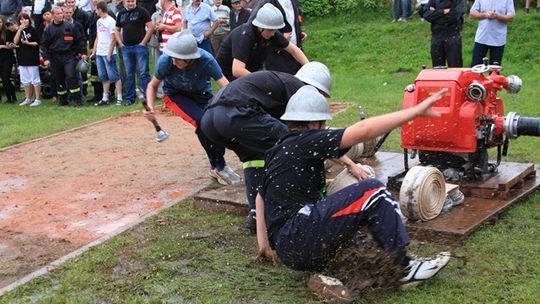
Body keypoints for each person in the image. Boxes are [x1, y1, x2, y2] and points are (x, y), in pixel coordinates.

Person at [255, 85, 451, 289]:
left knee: (356, 230)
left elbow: (260, 197)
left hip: (289, 250)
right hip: (300, 237)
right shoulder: (308, 140)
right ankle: (406, 269)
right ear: (315, 123)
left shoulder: (277, 150)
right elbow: (362, 131)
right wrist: (415, 111)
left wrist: (264, 246)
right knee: (373, 191)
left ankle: (356, 271)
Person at [200, 62, 371, 232]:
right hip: (237, 114)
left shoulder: (281, 86)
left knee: (254, 159)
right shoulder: (299, 89)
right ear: (314, 88)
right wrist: (351, 165)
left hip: (209, 121)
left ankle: (256, 216)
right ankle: (309, 203)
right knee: (297, 146)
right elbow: (312, 141)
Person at [144, 30, 241, 185]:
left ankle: (218, 163)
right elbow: (152, 86)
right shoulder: (166, 61)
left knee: (217, 121)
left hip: (201, 93)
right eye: (173, 58)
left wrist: (238, 102)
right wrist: (150, 107)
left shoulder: (207, 60)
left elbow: (224, 84)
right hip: (175, 95)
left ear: (190, 59)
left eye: (178, 59)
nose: (174, 61)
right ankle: (218, 166)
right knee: (203, 122)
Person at [216, 3, 308, 81]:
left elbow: (294, 50)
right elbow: (237, 70)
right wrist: (263, 80)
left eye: (275, 30)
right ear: (260, 27)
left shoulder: (270, 32)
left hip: (249, 67)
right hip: (227, 73)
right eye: (271, 30)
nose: (273, 34)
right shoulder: (246, 35)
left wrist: (310, 67)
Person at [41, 6, 86, 106]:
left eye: (61, 13)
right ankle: (63, 100)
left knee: (71, 76)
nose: (60, 15)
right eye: (57, 14)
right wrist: (46, 58)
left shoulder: (70, 26)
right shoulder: (49, 30)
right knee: (59, 79)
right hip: (55, 57)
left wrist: (82, 53)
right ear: (52, 15)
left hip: (69, 56)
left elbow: (79, 41)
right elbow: (44, 45)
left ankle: (77, 99)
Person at [250, 0, 306, 74]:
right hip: (277, 54)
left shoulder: (293, 1)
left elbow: (294, 20)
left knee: (301, 80)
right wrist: (280, 35)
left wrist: (299, 32)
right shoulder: (265, 2)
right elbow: (255, 25)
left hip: (296, 49)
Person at [115, 0, 153, 106]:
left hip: (140, 47)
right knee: (129, 74)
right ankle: (129, 98)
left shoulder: (142, 11)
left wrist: (143, 42)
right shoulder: (121, 14)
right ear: (124, 2)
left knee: (143, 73)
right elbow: (117, 29)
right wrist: (120, 43)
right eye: (128, 1)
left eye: (132, 1)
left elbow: (151, 27)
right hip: (126, 48)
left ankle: (148, 97)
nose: (131, 3)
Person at [91, 0, 122, 106]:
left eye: (96, 9)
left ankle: (119, 97)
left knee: (114, 76)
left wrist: (109, 53)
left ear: (100, 9)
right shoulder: (98, 21)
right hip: (99, 52)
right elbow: (97, 37)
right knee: (103, 77)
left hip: (108, 52)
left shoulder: (111, 21)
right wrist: (94, 51)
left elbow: (114, 39)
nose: (95, 12)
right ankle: (105, 98)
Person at [469, 0, 514, 66]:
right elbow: (472, 14)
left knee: (495, 70)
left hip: (498, 39)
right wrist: (485, 15)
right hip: (482, 37)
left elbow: (511, 17)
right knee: (476, 67)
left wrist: (498, 16)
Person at [422, 0, 465, 67]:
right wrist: (443, 12)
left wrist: (435, 15)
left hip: (452, 36)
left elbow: (455, 16)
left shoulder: (458, 1)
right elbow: (426, 15)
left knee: (455, 67)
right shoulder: (433, 1)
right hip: (437, 36)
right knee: (437, 68)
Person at [14, 12, 42, 107]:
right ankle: (28, 98)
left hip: (32, 58)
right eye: (21, 19)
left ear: (29, 20)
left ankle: (38, 98)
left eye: (25, 19)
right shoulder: (19, 30)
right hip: (22, 58)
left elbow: (38, 42)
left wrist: (28, 43)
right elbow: (15, 41)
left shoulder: (33, 30)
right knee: (25, 80)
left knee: (35, 79)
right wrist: (19, 30)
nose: (23, 21)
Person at [0, 16, 17, 104]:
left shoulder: (7, 32)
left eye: (0, 22)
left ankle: (12, 97)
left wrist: (2, 46)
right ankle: (8, 98)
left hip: (7, 58)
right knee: (3, 79)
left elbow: (11, 45)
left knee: (6, 78)